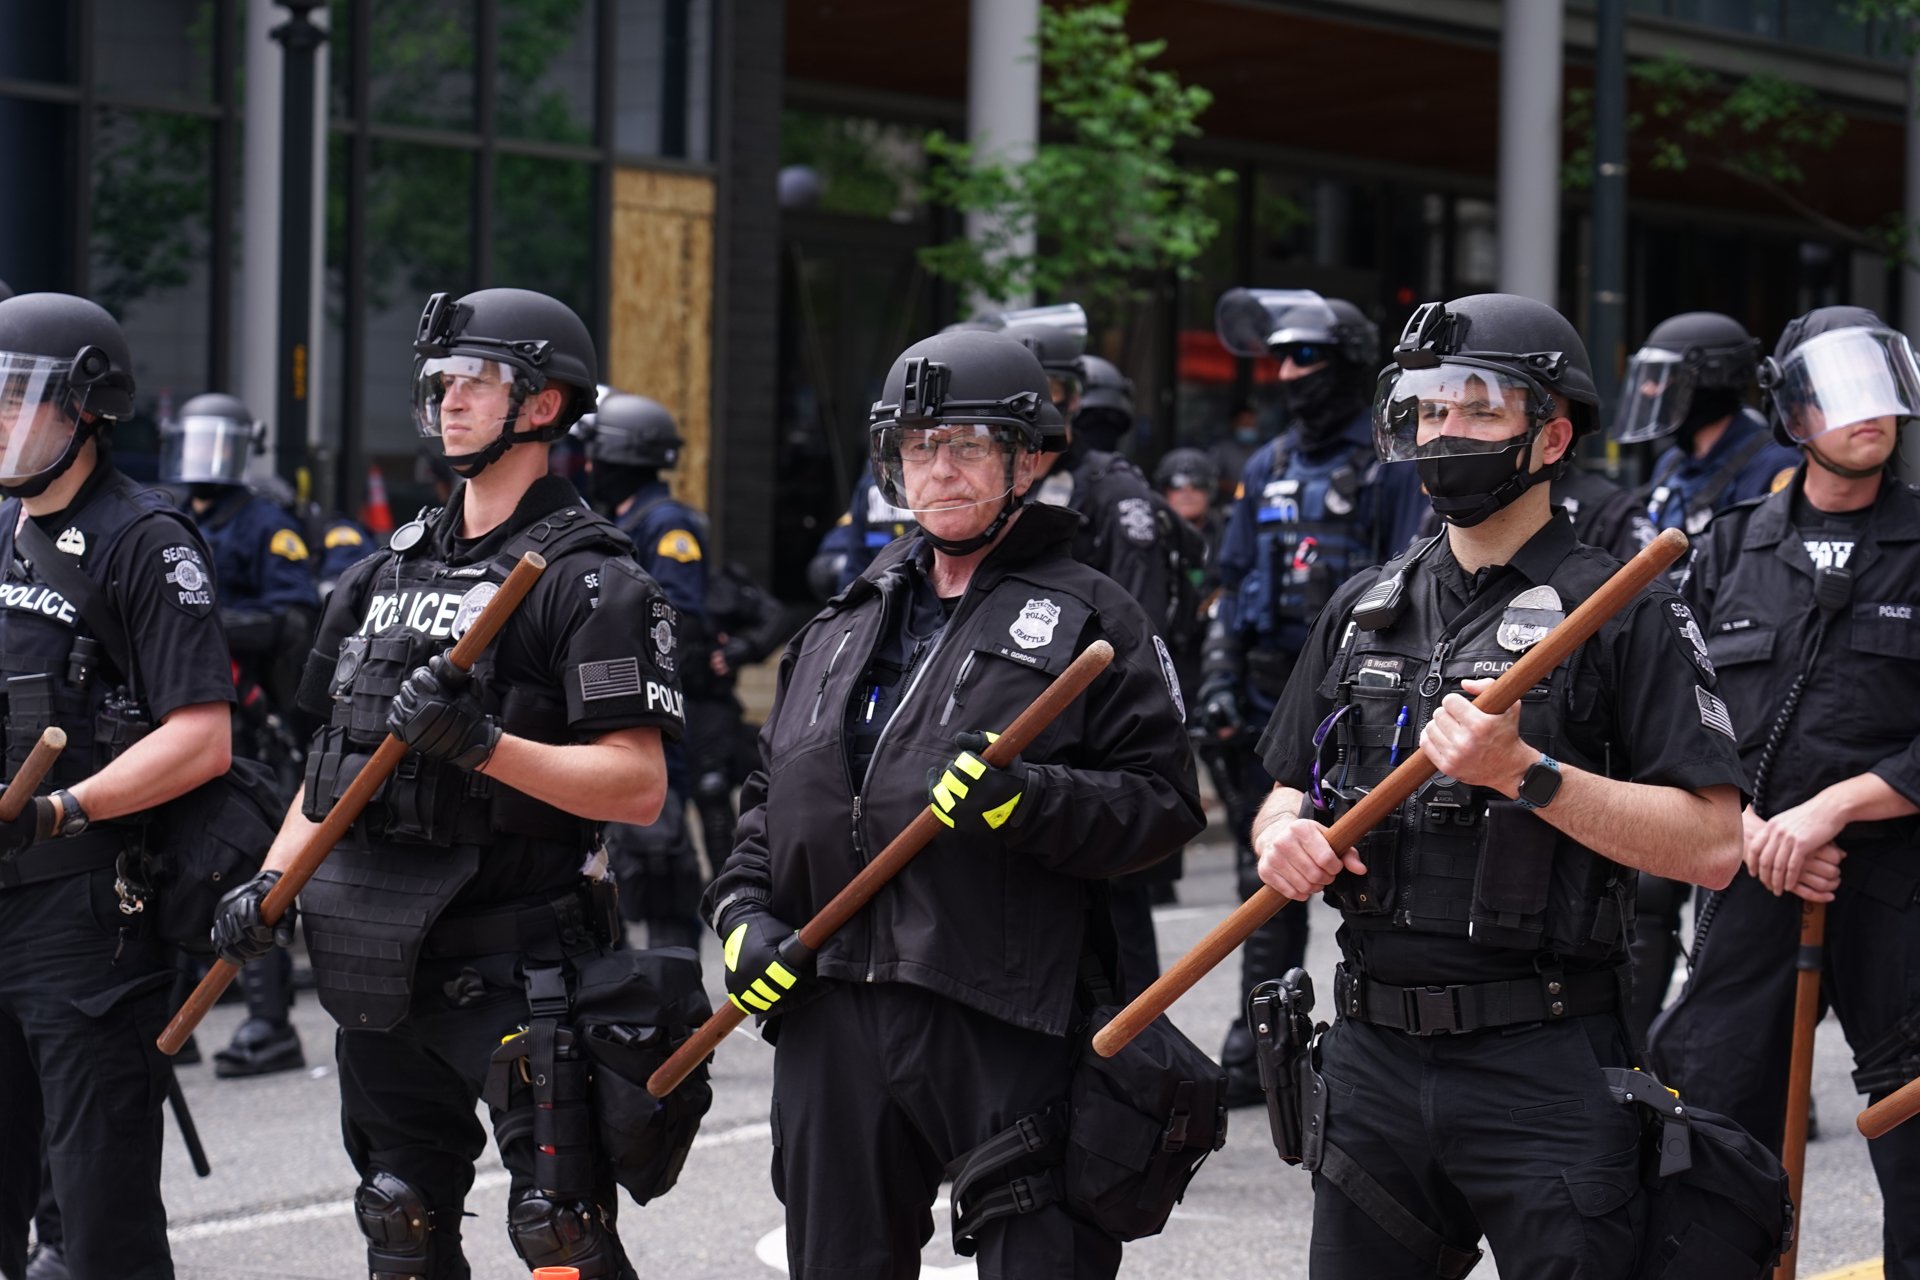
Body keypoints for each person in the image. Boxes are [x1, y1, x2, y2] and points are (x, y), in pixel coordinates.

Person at [1251, 292, 1747, 1275]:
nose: (1446, 431)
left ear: (1551, 431)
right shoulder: (1365, 607)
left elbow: (1713, 844)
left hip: (1545, 1059)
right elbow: (1281, 789)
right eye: (1430, 408)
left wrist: (1527, 773)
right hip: (1372, 1059)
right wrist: (1282, 836)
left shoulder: (1622, 609)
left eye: (1478, 407)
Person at [704, 327, 1203, 1278]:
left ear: (1029, 459)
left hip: (1001, 1007)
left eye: (966, 444)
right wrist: (740, 917)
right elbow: (772, 800)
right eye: (918, 447)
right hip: (831, 1007)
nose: (939, 469)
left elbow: (1162, 804)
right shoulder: (842, 620)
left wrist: (1029, 801)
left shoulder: (1094, 615)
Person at [211, 287, 684, 1280]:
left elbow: (637, 785)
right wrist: (270, 881)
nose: (450, 399)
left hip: (523, 965)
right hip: (379, 962)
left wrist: (482, 743)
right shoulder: (378, 577)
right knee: (399, 1219)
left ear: (545, 405)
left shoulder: (592, 578)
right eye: (439, 381)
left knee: (560, 1231)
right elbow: (327, 769)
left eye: (477, 380)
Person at [1647, 305, 1920, 1278]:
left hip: (1893, 886)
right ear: (1792, 411)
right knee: (1713, 1119)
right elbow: (1674, 712)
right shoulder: (1727, 547)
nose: (1870, 412)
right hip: (1751, 871)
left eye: (1881, 383)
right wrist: (1750, 823)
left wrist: (1835, 806)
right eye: (1841, 390)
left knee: (1914, 1120)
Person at [0, 292, 237, 1280]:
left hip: (87, 914)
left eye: (18, 393)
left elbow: (202, 735)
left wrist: (62, 807)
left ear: (86, 405)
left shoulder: (148, 538)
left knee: (97, 1225)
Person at [1197, 287, 1429, 1106]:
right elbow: (1229, 582)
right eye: (1281, 358)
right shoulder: (1266, 465)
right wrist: (1219, 673)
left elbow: (1413, 578)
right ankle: (1261, 1042)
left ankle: (1387, 1043)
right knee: (1266, 872)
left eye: (1308, 357)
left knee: (1380, 871)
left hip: (1361, 701)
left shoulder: (1384, 466)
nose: (1290, 372)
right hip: (1269, 693)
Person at [1611, 310, 1797, 1045]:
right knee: (1649, 891)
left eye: (1668, 379)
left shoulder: (1769, 467)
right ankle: (1637, 1057)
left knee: (1738, 907)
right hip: (1668, 685)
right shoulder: (1670, 467)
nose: (1656, 394)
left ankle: (1764, 1073)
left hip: (1740, 695)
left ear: (1712, 382)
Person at [161, 392, 318, 1078]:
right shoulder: (168, 515)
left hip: (251, 720)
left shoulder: (265, 522)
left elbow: (294, 617)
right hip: (179, 715)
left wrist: (205, 624)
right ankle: (174, 1021)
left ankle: (268, 1024)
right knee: (163, 864)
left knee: (248, 871)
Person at [574, 392, 710, 951]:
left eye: (595, 456)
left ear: (619, 456)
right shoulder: (618, 520)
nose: (586, 467)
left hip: (654, 723)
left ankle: (678, 1022)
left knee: (660, 874)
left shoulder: (665, 524)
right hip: (611, 724)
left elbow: (675, 625)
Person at [1617, 311, 1800, 538]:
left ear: (1706, 382)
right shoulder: (1671, 462)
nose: (1647, 389)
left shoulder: (1773, 465)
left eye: (1660, 378)